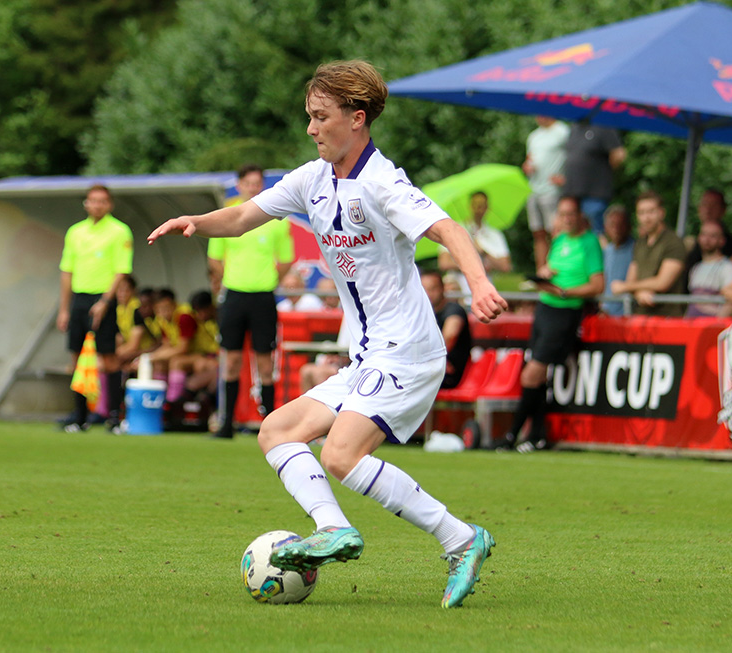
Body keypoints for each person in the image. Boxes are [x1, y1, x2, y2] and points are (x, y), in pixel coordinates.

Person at [147, 60, 508, 608]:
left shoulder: (382, 182)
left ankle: (460, 538)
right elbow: (246, 215)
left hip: (407, 351)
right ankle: (338, 528)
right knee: (277, 431)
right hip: (367, 356)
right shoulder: (312, 180)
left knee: (340, 454)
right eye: (308, 117)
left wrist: (478, 283)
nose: (312, 128)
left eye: (321, 117)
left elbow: (448, 229)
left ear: (357, 118)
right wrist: (196, 221)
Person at [496, 196, 604, 452]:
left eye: (571, 214)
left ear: (579, 216)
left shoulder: (590, 243)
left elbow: (597, 285)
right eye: (562, 214)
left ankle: (512, 436)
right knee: (538, 376)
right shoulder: (561, 240)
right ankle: (536, 435)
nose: (566, 219)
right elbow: (553, 267)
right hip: (545, 307)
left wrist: (565, 292)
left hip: (564, 310)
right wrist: (545, 274)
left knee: (531, 373)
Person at [207, 163, 295, 438]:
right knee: (230, 359)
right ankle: (226, 424)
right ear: (239, 185)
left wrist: (269, 279)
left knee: (265, 361)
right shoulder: (227, 213)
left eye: (258, 183)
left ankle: (269, 425)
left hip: (263, 295)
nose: (253, 188)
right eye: (248, 183)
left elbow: (287, 259)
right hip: (234, 294)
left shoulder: (276, 217)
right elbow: (214, 257)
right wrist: (232, 278)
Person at [56, 184, 133, 432]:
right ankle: (80, 416)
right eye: (92, 201)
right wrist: (64, 309)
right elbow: (66, 271)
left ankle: (114, 418)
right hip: (80, 298)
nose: (97, 205)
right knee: (77, 359)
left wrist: (104, 301)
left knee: (108, 359)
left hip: (104, 300)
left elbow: (122, 269)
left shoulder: (120, 231)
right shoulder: (75, 232)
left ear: (109, 204)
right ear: (86, 204)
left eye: (102, 201)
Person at [610, 191, 687, 317]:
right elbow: (631, 279)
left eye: (651, 211)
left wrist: (625, 287)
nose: (646, 217)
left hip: (667, 318)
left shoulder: (674, 242)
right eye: (642, 213)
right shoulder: (640, 243)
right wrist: (638, 292)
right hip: (640, 316)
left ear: (661, 213)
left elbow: (662, 282)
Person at [438, 191, 511, 303]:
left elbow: (505, 266)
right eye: (475, 204)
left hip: (485, 295)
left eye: (482, 205)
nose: (478, 208)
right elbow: (444, 263)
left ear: (487, 207)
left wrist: (483, 252)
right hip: (458, 294)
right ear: (470, 205)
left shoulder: (495, 235)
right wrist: (476, 264)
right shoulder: (454, 230)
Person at [558, 121, 626, 236]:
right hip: (574, 196)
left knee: (595, 234)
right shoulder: (575, 126)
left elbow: (619, 154)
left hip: (595, 194)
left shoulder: (604, 125)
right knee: (576, 236)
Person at [523, 116, 570, 269]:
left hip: (552, 191)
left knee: (555, 230)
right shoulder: (533, 136)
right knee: (538, 233)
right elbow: (529, 159)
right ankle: (541, 272)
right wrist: (527, 167)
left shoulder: (563, 131)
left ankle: (556, 268)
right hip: (533, 189)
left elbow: (574, 156)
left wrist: (566, 177)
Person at [421, 268, 472, 389]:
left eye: (433, 289)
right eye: (424, 289)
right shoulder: (422, 314)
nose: (428, 294)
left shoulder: (454, 310)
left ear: (443, 289)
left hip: (451, 374)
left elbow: (450, 335)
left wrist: (434, 360)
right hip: (432, 370)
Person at [683, 188, 732, 292]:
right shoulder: (696, 266)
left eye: (714, 205)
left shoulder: (727, 241)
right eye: (705, 204)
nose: (708, 209)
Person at [685, 221, 732, 318]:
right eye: (704, 234)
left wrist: (716, 324)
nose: (707, 239)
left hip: (713, 328)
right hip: (693, 327)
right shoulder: (695, 268)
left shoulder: (728, 267)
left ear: (722, 241)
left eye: (713, 236)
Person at [600, 205, 634, 316]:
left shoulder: (636, 249)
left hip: (628, 314)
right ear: (605, 227)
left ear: (629, 226)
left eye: (620, 224)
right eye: (612, 224)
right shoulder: (606, 251)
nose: (616, 229)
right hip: (606, 314)